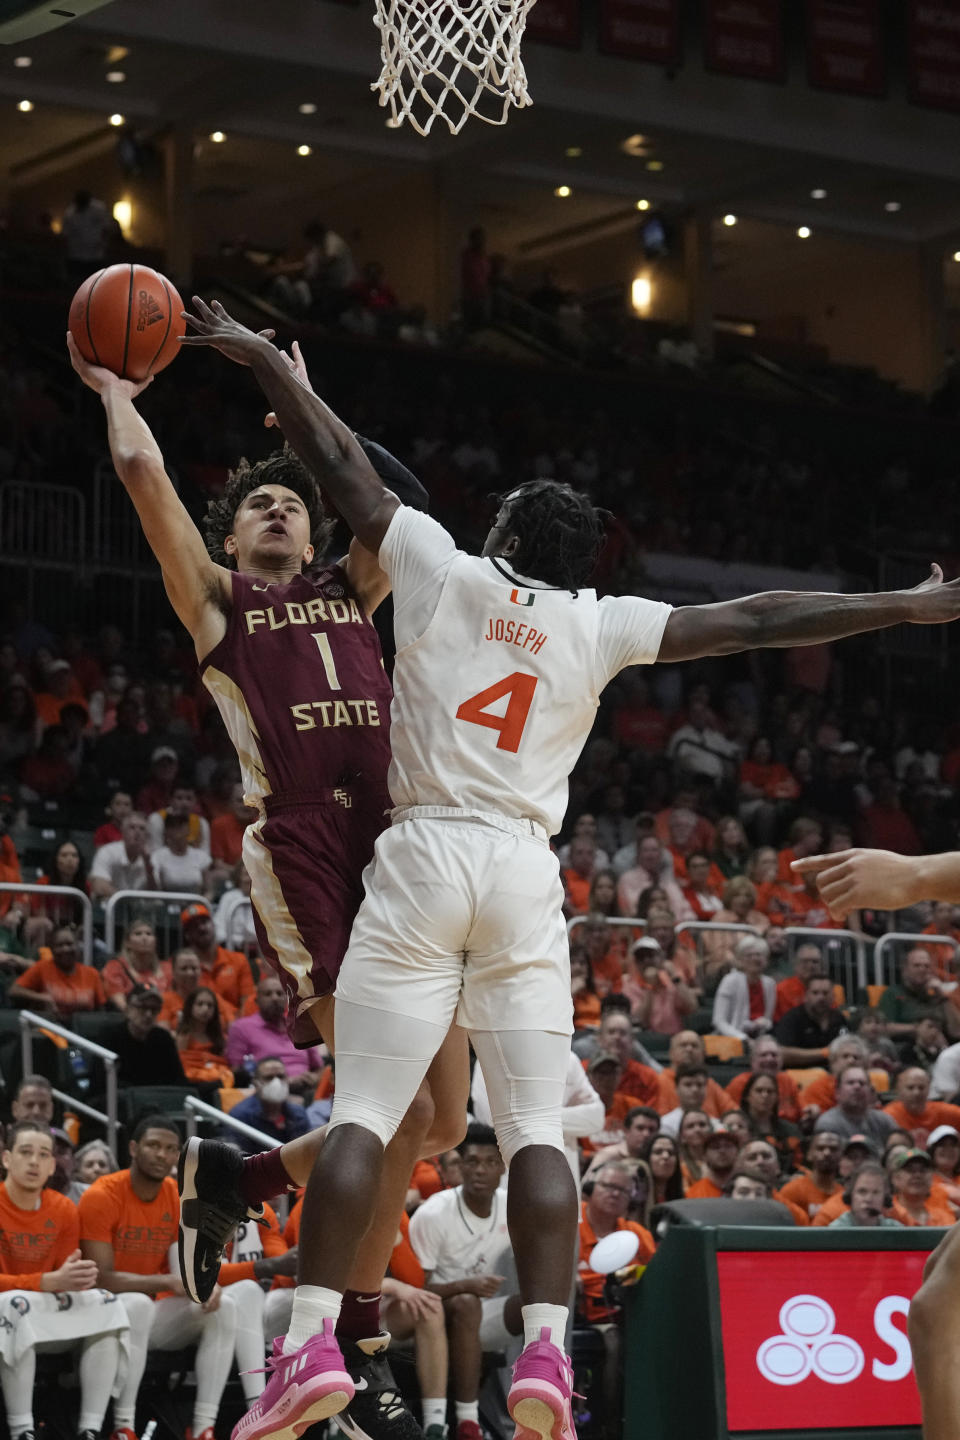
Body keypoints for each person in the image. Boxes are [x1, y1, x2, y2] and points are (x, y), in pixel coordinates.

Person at [170, 295, 960, 1440]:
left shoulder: (442, 565)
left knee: (371, 1110)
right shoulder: (601, 623)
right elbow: (758, 620)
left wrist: (265, 367)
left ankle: (304, 1351)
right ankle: (547, 1354)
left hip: (426, 851)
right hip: (528, 876)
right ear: (578, 560)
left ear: (498, 537)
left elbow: (340, 464)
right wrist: (908, 604)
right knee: (537, 1130)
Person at [70, 320, 462, 1440]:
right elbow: (143, 473)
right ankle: (352, 1330)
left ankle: (240, 1186)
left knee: (434, 1122)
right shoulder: (218, 604)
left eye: (293, 500)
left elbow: (407, 501)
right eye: (259, 505)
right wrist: (111, 386)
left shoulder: (354, 582)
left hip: (403, 842)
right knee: (381, 1110)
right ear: (230, 538)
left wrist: (297, 399)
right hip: (305, 851)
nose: (281, 509)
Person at [79, 1116, 238, 1440]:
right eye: (153, 1145)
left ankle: (204, 1426)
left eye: (170, 1149)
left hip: (153, 1316)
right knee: (138, 1304)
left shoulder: (179, 1196)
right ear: (133, 1149)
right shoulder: (102, 1194)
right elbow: (100, 1278)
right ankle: (124, 1425)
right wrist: (166, 1283)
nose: (162, 1155)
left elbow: (189, 1259)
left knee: (225, 1306)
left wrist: (205, 1283)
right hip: (104, 1312)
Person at [0, 1121, 128, 1440]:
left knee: (107, 1305)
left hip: (40, 1306)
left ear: (52, 1164)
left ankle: (91, 1429)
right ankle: (21, 1430)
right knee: (14, 1303)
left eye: (44, 1154)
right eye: (25, 1152)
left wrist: (74, 1278)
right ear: (6, 1158)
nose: (34, 1162)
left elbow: (61, 1280)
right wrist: (46, 1281)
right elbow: (46, 1283)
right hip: (12, 1307)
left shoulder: (64, 1209)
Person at [408, 1125, 518, 1440]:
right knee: (468, 1304)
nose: (480, 1170)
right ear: (459, 1166)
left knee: (535, 1304)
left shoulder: (512, 1206)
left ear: (502, 1168)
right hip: (431, 1314)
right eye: (471, 1162)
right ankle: (468, 1422)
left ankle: (531, 1401)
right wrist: (465, 1286)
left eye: (489, 1162)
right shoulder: (433, 1213)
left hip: (477, 1314)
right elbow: (415, 1291)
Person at [576, 1160, 654, 1438]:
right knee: (612, 1341)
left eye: (623, 1190)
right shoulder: (571, 1226)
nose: (615, 1193)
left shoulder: (636, 1234)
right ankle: (606, 1424)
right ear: (590, 1188)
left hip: (631, 1313)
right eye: (609, 1186)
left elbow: (657, 1274)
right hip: (584, 1316)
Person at [224, 974, 325, 1096]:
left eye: (279, 993)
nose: (275, 998)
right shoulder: (241, 1028)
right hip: (265, 1095)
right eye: (268, 994)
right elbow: (237, 1072)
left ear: (287, 999)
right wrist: (283, 1083)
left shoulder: (299, 1026)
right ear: (256, 1000)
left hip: (307, 1091)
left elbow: (319, 1068)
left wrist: (314, 1077)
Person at [7, 924, 105, 1020]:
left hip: (83, 1031)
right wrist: (40, 997)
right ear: (52, 949)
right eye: (59, 945)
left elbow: (101, 1010)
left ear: (77, 946)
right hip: (50, 1027)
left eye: (69, 944)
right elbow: (14, 991)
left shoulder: (92, 974)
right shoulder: (42, 968)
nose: (65, 949)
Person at [180, 902, 256, 1013]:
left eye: (204, 922)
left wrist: (238, 1027)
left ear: (213, 925)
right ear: (187, 935)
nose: (201, 928)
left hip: (235, 1025)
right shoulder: (183, 966)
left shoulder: (239, 960)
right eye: (194, 925)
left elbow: (248, 1002)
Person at [878, 947, 960, 1043]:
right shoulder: (893, 993)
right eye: (917, 965)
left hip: (942, 1047)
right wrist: (916, 1028)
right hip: (906, 1046)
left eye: (927, 966)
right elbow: (883, 1028)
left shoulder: (938, 995)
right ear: (905, 969)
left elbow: (957, 1032)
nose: (922, 969)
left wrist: (943, 997)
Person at [227, 1058, 312, 1152]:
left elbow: (306, 1150)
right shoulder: (240, 1115)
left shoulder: (298, 1112)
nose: (276, 1082)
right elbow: (239, 1156)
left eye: (280, 1076)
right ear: (256, 1083)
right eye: (269, 1078)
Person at [114, 985, 186, 1087]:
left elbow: (179, 1080)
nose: (148, 1014)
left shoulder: (163, 1038)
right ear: (128, 1009)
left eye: (154, 1009)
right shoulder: (111, 1036)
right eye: (143, 1007)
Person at [656, 1030, 736, 1118]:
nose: (689, 1049)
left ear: (703, 1054)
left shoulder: (709, 1083)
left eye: (694, 1046)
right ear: (671, 1053)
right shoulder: (660, 1082)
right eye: (683, 1045)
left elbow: (733, 1112)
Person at [711, 935, 775, 1041]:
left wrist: (764, 1024)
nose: (755, 959)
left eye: (759, 955)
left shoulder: (770, 983)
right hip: (731, 1039)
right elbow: (719, 1021)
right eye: (749, 955)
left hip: (759, 1038)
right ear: (740, 959)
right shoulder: (730, 980)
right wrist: (743, 1039)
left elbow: (768, 1019)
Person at [774, 975, 847, 1069]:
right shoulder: (792, 1018)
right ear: (806, 996)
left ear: (833, 996)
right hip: (800, 1075)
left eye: (825, 993)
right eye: (815, 993)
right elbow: (782, 1053)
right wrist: (824, 1052)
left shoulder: (838, 1018)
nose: (821, 998)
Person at [814, 1065, 898, 1147]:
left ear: (870, 1091)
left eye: (862, 1083)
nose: (857, 1086)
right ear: (837, 1092)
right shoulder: (828, 1123)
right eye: (850, 1083)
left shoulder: (884, 1120)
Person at [725, 1035, 801, 1122]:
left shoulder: (788, 1081)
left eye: (774, 1055)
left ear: (781, 1060)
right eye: (763, 1055)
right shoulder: (738, 1084)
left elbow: (801, 1112)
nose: (769, 1059)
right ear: (753, 1060)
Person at [102, 919, 171, 1011]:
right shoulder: (115, 967)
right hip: (132, 1019)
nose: (144, 938)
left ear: (155, 941)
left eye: (149, 934)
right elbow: (121, 1004)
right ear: (127, 942)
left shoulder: (167, 967)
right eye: (138, 934)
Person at [884, 1067, 960, 1148]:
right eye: (910, 1087)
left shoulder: (947, 1112)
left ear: (929, 1089)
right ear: (898, 1090)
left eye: (921, 1087)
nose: (916, 1093)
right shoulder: (888, 1116)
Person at [582, 1105, 660, 1183]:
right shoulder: (609, 1155)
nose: (646, 1134)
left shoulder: (658, 1160)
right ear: (626, 1130)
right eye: (640, 1128)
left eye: (651, 1129)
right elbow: (586, 1187)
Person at [177, 987, 235, 1087]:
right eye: (200, 1004)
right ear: (190, 1007)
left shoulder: (220, 1037)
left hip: (218, 1081)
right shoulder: (184, 1036)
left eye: (210, 1006)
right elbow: (183, 1065)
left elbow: (224, 1064)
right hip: (194, 1082)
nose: (205, 1009)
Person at [778, 1132, 843, 1221]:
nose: (827, 1153)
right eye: (820, 1148)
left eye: (833, 1149)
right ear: (809, 1154)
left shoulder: (844, 1195)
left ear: (841, 1156)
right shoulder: (792, 1191)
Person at [88, 813, 154, 898]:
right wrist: (127, 901)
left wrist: (148, 865)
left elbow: (155, 895)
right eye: (132, 827)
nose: (137, 832)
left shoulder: (152, 857)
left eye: (142, 829)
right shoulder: (107, 851)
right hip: (109, 906)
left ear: (147, 835)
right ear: (122, 831)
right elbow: (99, 886)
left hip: (139, 908)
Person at [890, 1148, 956, 1227]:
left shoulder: (943, 1217)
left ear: (932, 1177)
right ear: (896, 1178)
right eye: (910, 1170)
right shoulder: (887, 1213)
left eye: (923, 1170)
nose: (918, 1175)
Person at [828, 1162, 901, 1228]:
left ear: (885, 1198)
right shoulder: (836, 1230)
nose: (868, 1199)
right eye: (862, 1192)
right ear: (851, 1195)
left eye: (875, 1192)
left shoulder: (895, 1230)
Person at [684, 1129, 741, 1197]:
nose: (722, 1151)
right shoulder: (694, 1193)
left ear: (738, 1153)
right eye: (715, 1147)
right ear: (704, 1156)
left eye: (728, 1146)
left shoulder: (750, 1188)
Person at [642, 1133, 684, 1207]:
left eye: (671, 1153)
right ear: (647, 1158)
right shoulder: (634, 1200)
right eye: (658, 1152)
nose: (665, 1156)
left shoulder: (682, 1200)